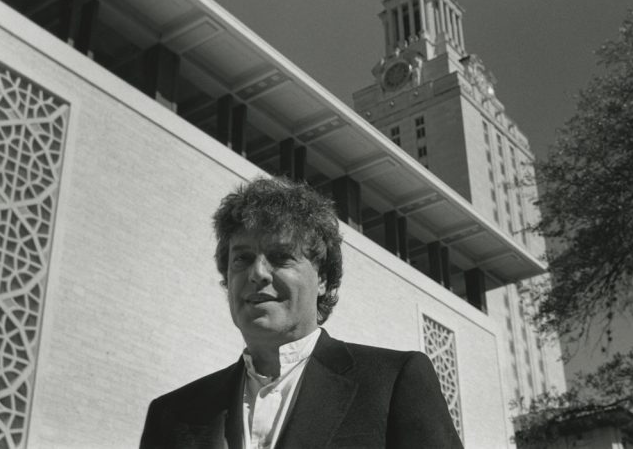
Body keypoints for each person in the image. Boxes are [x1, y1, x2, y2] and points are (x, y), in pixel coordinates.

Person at [140, 177, 463, 449]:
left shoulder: (393, 382)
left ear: (322, 278)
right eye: (242, 258)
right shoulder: (172, 414)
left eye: (280, 257)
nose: (258, 273)